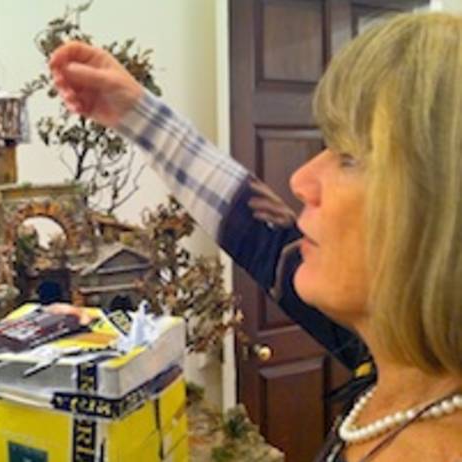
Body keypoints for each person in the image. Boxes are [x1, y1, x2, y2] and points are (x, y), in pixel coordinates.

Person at [49, 12, 462, 462]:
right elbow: (259, 236)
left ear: (443, 208)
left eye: (349, 157)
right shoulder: (406, 363)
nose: (301, 180)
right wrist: (138, 114)